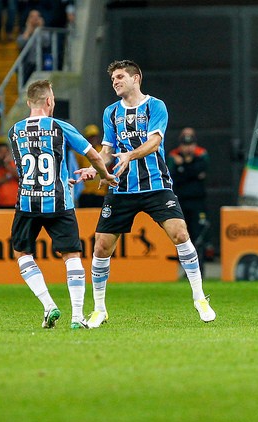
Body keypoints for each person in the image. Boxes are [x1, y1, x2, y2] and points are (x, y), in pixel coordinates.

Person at [74, 60, 216, 327]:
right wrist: (95, 169)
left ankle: (199, 297)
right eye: (112, 79)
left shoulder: (155, 106)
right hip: (121, 187)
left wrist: (131, 154)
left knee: (181, 233)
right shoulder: (111, 112)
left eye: (119, 77)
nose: (115, 82)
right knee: (102, 246)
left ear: (135, 78)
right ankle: (99, 309)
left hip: (156, 185)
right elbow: (107, 150)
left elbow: (154, 142)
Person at [9, 79, 117, 329]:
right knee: (72, 256)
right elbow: (92, 154)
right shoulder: (60, 127)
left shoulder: (14, 131)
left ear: (28, 103)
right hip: (60, 201)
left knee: (22, 253)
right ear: (49, 101)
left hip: (27, 202)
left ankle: (49, 305)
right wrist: (104, 175)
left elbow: (26, 167)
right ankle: (77, 316)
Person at [167, 127, 210, 269]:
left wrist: (184, 166)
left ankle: (200, 269)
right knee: (183, 237)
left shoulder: (202, 154)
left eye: (190, 144)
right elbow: (174, 177)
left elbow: (200, 171)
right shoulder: (173, 155)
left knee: (198, 236)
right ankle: (186, 269)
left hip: (197, 202)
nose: (188, 148)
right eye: (185, 145)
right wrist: (191, 171)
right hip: (181, 202)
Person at [76, 124, 107, 208]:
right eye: (90, 137)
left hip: (101, 192)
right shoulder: (79, 153)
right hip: (86, 192)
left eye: (94, 136)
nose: (93, 139)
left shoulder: (103, 150)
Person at [0, 141, 18, 209]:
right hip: (0, 206)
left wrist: (8, 166)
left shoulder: (16, 167)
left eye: (6, 152)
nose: (4, 154)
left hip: (17, 206)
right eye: (1, 152)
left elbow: (22, 178)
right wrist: (8, 176)